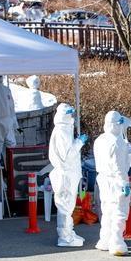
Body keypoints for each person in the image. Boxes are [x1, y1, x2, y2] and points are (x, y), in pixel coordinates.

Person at [49, 103, 88, 247]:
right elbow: (68, 156)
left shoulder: (64, 129)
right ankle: (65, 238)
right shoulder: (62, 132)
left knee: (67, 206)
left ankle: (69, 233)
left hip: (68, 174)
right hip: (65, 175)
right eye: (71, 114)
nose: (73, 117)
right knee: (65, 206)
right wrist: (79, 142)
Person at [94, 111, 131, 256]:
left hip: (103, 179)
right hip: (116, 180)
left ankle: (105, 239)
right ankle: (116, 241)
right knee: (120, 211)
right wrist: (124, 184)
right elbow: (119, 166)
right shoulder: (118, 142)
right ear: (116, 125)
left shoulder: (100, 140)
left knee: (107, 209)